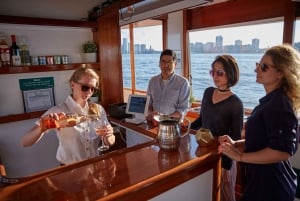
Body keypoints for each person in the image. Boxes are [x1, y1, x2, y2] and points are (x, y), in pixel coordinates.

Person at [218, 44, 300, 201]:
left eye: (264, 67)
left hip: (271, 187)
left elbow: (282, 151)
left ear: (281, 73)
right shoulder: (270, 101)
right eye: (258, 65)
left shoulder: (280, 104)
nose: (256, 70)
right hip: (260, 181)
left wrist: (239, 157)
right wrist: (236, 144)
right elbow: (262, 140)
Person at [21, 67, 115, 165]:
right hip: (70, 169)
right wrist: (42, 128)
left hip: (94, 166)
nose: (89, 92)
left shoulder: (98, 109)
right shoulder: (58, 111)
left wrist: (108, 136)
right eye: (85, 87)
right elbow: (25, 142)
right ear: (72, 84)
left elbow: (110, 141)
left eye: (93, 89)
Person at [190, 55, 243, 201]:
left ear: (231, 73)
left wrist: (226, 166)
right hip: (205, 152)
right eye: (213, 72)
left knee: (225, 196)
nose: (215, 76)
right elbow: (201, 120)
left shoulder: (236, 103)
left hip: (224, 157)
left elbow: (236, 139)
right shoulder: (208, 92)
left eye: (220, 72)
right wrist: (186, 125)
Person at [146, 49, 190, 121]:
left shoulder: (183, 83)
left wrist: (164, 118)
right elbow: (148, 103)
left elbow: (183, 109)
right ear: (159, 63)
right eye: (163, 61)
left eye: (169, 62)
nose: (166, 65)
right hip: (153, 122)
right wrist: (151, 114)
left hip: (171, 125)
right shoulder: (152, 81)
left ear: (175, 64)